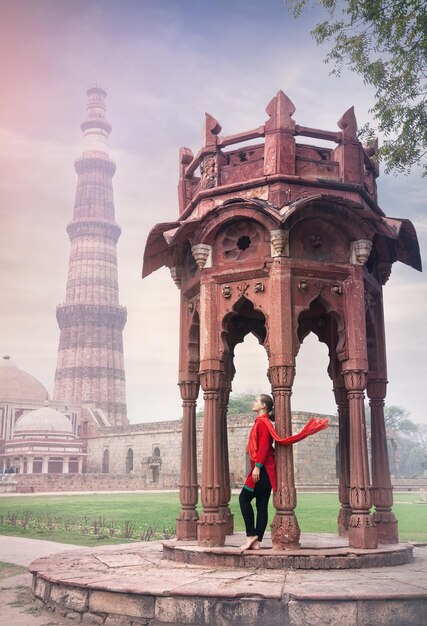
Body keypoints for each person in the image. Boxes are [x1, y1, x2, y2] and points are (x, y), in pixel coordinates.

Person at [239, 393, 329, 551]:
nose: (253, 403)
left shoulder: (263, 423)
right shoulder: (263, 422)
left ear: (263, 406)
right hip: (267, 471)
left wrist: (257, 466)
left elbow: (265, 447)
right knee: (261, 505)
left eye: (256, 401)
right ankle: (257, 541)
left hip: (262, 470)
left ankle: (251, 535)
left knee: (243, 499)